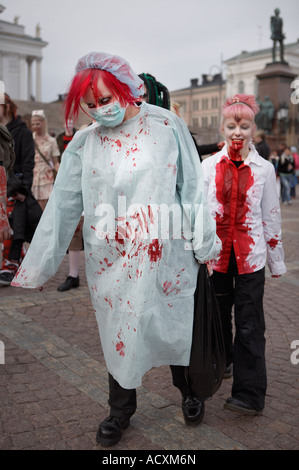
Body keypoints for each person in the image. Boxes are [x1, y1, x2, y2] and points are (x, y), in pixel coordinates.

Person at [11, 51, 220, 446]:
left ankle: (190, 392)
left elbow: (192, 188)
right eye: (89, 106)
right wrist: (38, 266)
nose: (98, 111)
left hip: (168, 256)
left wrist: (204, 245)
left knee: (176, 328)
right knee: (119, 333)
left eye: (105, 100)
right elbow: (63, 204)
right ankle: (119, 409)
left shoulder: (165, 125)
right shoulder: (84, 144)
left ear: (126, 89)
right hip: (113, 260)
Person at [202, 94, 286, 415]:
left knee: (250, 324)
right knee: (217, 315)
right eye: (231, 125)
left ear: (253, 130)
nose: (238, 131)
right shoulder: (207, 167)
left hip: (250, 257)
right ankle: (224, 360)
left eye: (244, 125)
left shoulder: (264, 170)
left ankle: (249, 393)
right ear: (222, 128)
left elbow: (271, 215)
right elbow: (198, 213)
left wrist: (276, 262)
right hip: (216, 257)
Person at [0, 94, 41, 286]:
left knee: (12, 226)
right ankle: (16, 258)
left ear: (6, 106)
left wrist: (24, 189)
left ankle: (11, 264)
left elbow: (27, 162)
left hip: (15, 187)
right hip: (3, 185)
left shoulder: (22, 132)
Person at [56, 119, 84, 292]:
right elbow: (68, 159)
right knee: (74, 234)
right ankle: (73, 275)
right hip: (78, 193)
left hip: (101, 196)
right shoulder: (79, 145)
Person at [31, 110, 60, 211]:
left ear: (44, 123)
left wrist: (62, 174)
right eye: (33, 124)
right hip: (32, 180)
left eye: (37, 123)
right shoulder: (29, 139)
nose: (35, 126)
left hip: (46, 179)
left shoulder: (51, 141)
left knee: (47, 210)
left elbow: (55, 162)